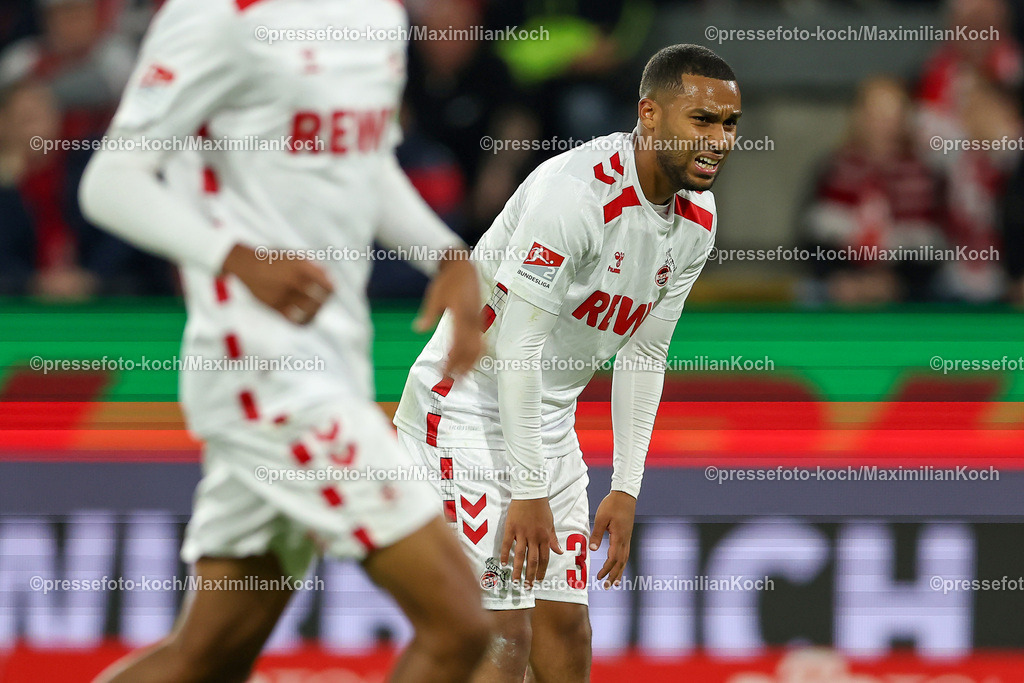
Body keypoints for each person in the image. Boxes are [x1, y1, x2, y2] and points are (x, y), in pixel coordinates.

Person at [78, 0, 493, 680]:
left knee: (208, 656)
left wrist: (445, 254)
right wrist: (235, 257)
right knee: (460, 622)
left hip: (336, 361)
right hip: (261, 373)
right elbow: (111, 181)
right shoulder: (219, 15)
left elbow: (365, 161)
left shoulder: (380, 16)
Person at [394, 44, 739, 681]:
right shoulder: (576, 196)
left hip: (547, 425)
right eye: (702, 121)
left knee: (567, 629)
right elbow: (516, 349)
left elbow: (645, 352)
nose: (719, 140)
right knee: (503, 633)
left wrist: (626, 487)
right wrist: (528, 490)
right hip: (464, 412)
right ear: (650, 114)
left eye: (729, 124)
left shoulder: (698, 219)